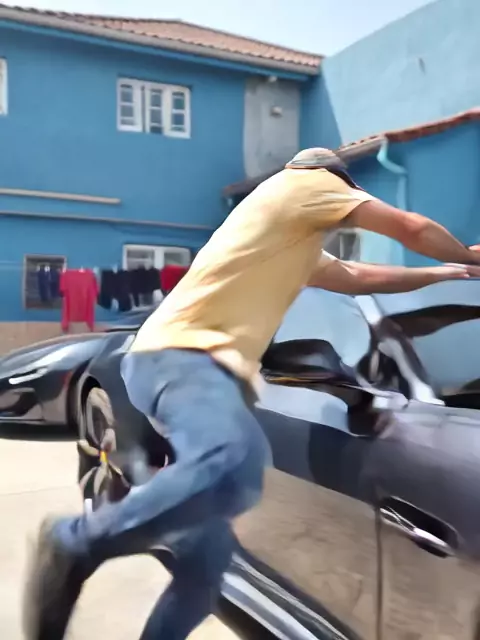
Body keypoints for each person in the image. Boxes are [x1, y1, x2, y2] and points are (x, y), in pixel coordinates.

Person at [23, 148, 480, 640]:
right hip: (183, 358)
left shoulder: (287, 237)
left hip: (181, 366)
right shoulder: (307, 184)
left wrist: (449, 273)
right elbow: (410, 227)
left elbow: (357, 278)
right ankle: (75, 541)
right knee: (235, 460)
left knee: (205, 569)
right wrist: (468, 253)